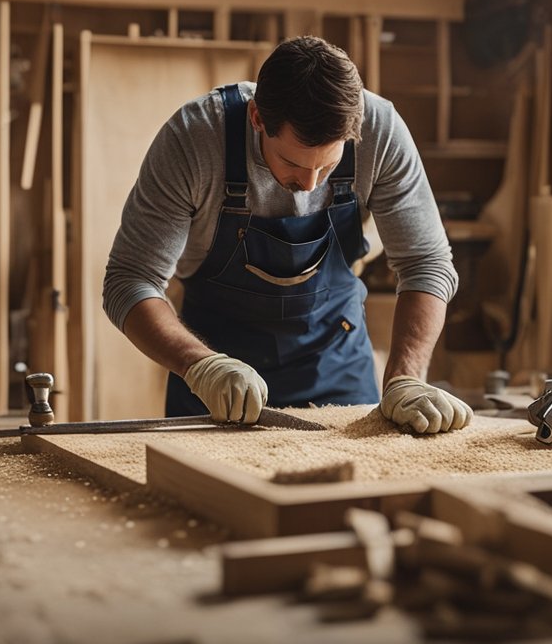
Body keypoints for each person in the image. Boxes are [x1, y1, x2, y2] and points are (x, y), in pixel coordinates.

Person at [103, 36, 472, 434]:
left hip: (336, 363)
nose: (311, 185)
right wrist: (200, 366)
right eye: (293, 162)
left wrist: (407, 379)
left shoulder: (380, 131)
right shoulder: (195, 140)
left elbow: (426, 263)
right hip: (216, 377)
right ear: (258, 117)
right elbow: (130, 280)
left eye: (328, 166)